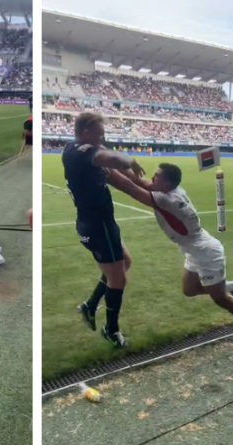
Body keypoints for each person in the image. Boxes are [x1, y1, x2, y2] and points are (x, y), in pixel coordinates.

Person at [105, 163, 233, 343]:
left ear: (168, 183)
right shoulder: (172, 190)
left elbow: (131, 188)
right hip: (194, 248)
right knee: (189, 290)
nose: (153, 178)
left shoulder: (168, 201)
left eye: (157, 176)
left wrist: (107, 171)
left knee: (220, 298)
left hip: (207, 252)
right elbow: (141, 182)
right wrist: (120, 163)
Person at [64, 112, 145, 348]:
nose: (103, 138)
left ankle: (89, 305)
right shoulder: (80, 152)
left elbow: (123, 178)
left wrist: (149, 189)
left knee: (124, 264)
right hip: (98, 227)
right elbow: (114, 160)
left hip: (100, 225)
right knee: (118, 278)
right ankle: (111, 330)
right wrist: (129, 160)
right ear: (86, 131)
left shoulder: (86, 154)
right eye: (100, 133)